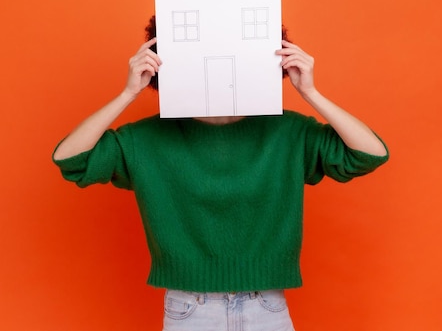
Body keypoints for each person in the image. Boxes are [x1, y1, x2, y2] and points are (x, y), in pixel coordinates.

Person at [52, 18, 389, 331]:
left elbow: (369, 154)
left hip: (266, 306)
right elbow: (71, 159)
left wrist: (311, 93)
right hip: (189, 308)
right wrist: (128, 93)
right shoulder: (146, 139)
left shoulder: (288, 132)